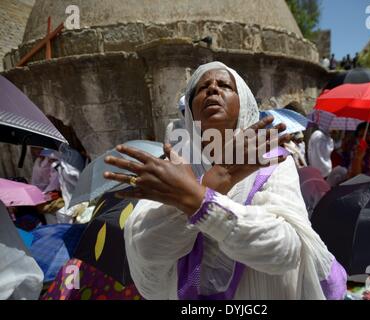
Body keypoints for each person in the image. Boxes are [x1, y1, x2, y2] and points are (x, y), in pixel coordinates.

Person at [104, 61, 347, 300]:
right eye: (202, 87)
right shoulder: (173, 164)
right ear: (189, 111)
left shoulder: (270, 162)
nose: (212, 89)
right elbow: (147, 248)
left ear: (242, 103)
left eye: (224, 85)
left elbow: (285, 250)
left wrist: (199, 199)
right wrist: (214, 182)